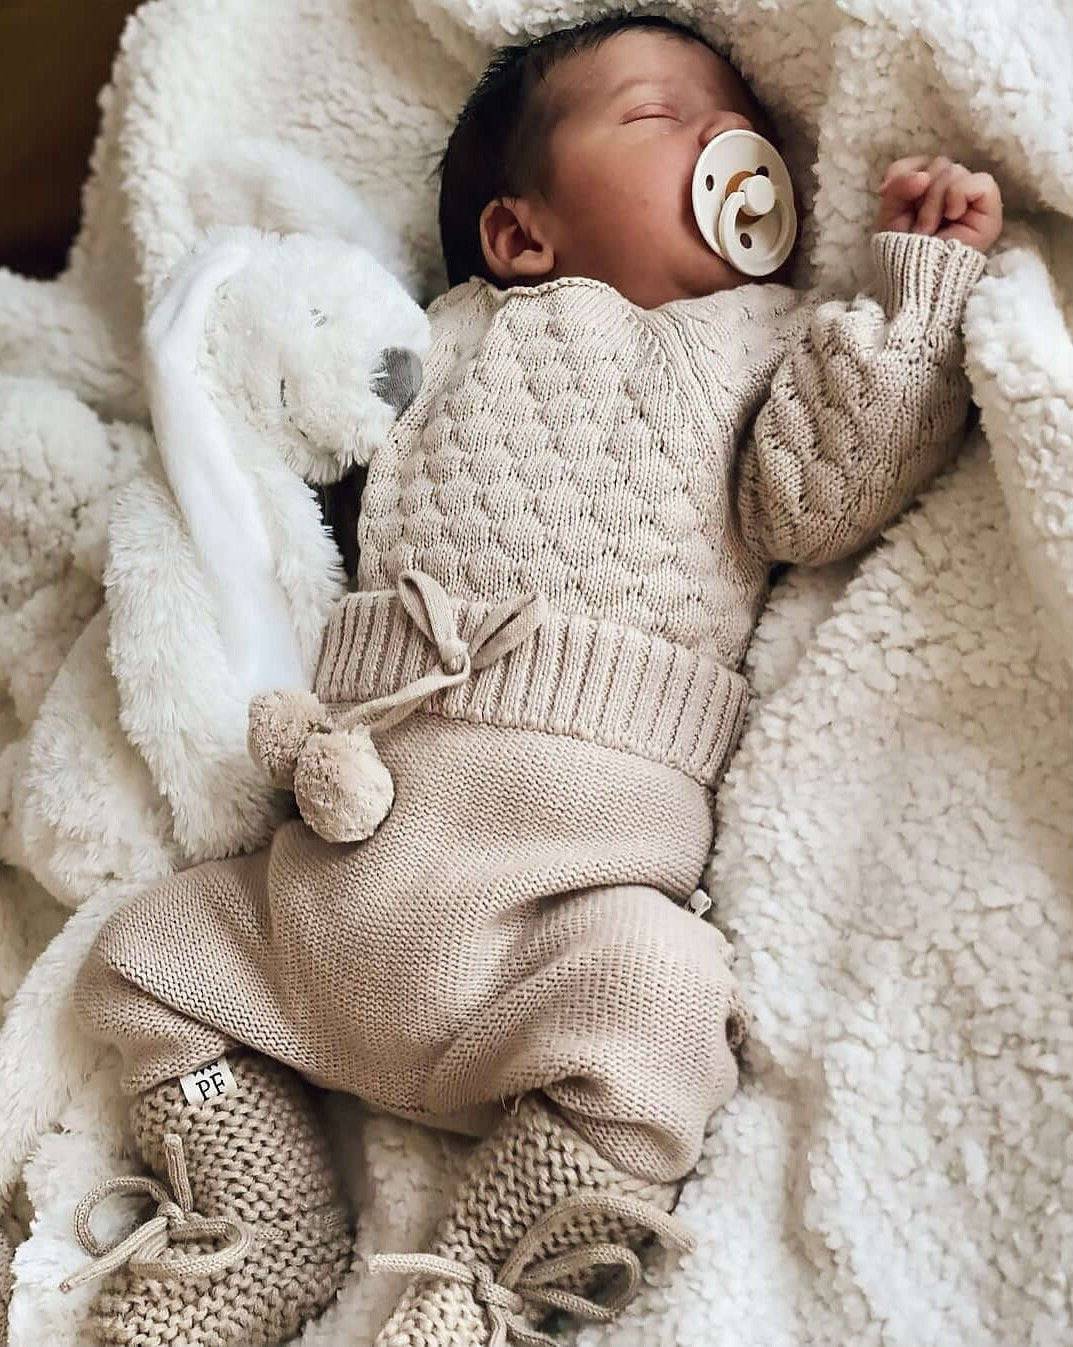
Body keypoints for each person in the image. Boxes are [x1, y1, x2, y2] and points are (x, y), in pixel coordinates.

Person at [60, 13, 1002, 1347]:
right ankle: (264, 1214)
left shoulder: (758, 340)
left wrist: (919, 290)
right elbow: (295, 452)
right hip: (341, 869)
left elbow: (826, 491)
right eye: (659, 114)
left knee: (667, 1006)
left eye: (738, 118)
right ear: (517, 235)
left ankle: (483, 1290)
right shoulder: (430, 334)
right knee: (143, 959)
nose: (727, 139)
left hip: (559, 911)